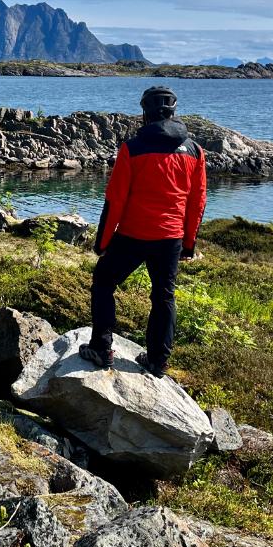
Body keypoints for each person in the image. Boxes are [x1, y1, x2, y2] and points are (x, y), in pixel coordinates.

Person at [79, 86, 207, 377]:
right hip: (171, 238)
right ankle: (158, 361)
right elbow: (197, 202)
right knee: (164, 297)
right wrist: (188, 244)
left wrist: (102, 243)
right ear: (173, 112)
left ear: (145, 113)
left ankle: (101, 348)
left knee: (103, 282)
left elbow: (115, 200)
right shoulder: (195, 151)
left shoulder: (132, 148)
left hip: (133, 235)